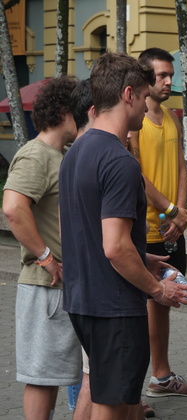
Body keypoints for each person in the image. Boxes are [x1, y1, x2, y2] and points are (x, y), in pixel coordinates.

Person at [59, 53, 187, 420]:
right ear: (129, 94)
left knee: (110, 394)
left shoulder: (75, 153)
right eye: (147, 91)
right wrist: (158, 290)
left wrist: (142, 255)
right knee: (113, 404)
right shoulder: (119, 161)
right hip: (114, 304)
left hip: (82, 299)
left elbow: (90, 231)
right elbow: (114, 246)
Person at [2, 76, 81, 420]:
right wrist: (47, 258)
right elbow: (12, 209)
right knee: (41, 377)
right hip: (45, 284)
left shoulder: (58, 155)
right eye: (79, 111)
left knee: (50, 376)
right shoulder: (36, 155)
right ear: (64, 112)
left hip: (59, 286)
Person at [130, 47, 187, 399]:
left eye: (170, 75)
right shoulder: (134, 120)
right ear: (145, 77)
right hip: (143, 229)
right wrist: (170, 210)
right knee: (140, 305)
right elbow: (136, 173)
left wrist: (180, 213)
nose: (168, 81)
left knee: (163, 304)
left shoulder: (172, 118)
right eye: (161, 75)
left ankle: (160, 377)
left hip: (170, 228)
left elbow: (181, 168)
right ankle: (131, 388)